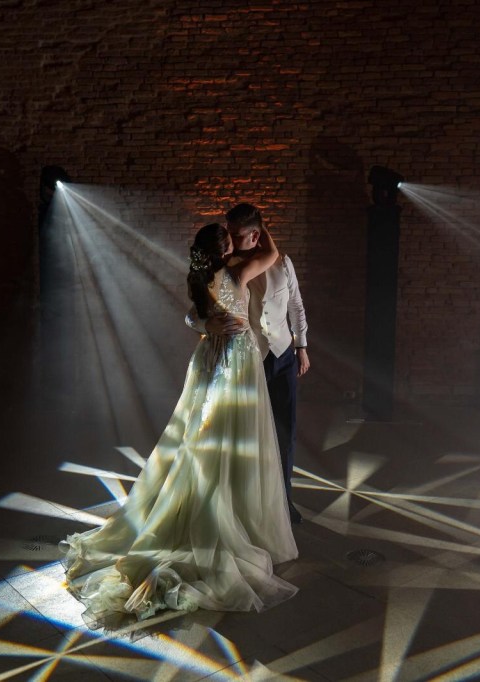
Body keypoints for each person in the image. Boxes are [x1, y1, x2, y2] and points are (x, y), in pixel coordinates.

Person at [59, 222, 298, 629]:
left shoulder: (201, 277)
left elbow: (193, 315)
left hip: (208, 360)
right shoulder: (235, 274)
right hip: (234, 363)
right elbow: (271, 255)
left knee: (204, 439)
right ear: (223, 248)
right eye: (229, 238)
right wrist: (264, 226)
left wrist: (206, 327)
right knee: (229, 439)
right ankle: (225, 516)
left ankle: (217, 502)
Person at [186, 203, 310, 523]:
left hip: (282, 355)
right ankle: (247, 505)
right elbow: (192, 313)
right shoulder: (230, 268)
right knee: (246, 435)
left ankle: (284, 501)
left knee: (285, 432)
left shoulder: (283, 264)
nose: (229, 236)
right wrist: (206, 326)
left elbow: (295, 305)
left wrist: (301, 346)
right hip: (248, 361)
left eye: (235, 233)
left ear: (253, 234)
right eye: (227, 233)